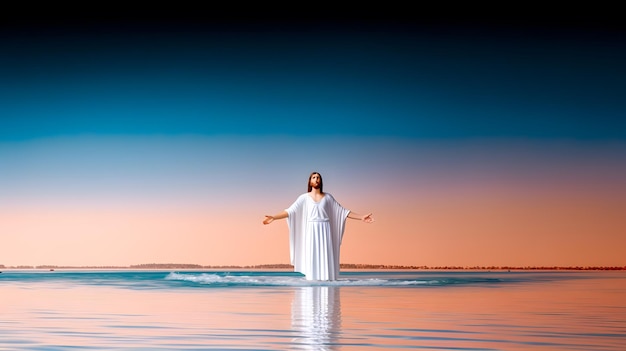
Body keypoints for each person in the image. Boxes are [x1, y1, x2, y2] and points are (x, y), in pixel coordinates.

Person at [263, 172, 373, 281]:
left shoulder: (328, 197)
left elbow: (343, 212)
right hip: (311, 230)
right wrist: (274, 217)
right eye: (314, 177)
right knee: (312, 255)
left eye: (318, 177)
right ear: (310, 182)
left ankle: (326, 279)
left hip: (325, 229)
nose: (316, 179)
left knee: (325, 255)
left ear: (321, 181)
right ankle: (312, 280)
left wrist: (361, 217)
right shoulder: (304, 198)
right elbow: (290, 211)